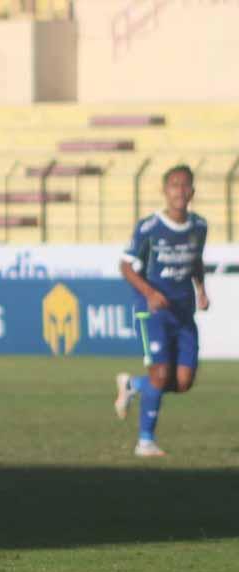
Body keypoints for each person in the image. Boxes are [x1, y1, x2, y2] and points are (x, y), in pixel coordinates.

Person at [113, 164, 209, 458]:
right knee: (161, 372)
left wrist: (201, 290)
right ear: (165, 191)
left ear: (192, 192)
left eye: (185, 186)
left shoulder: (199, 226)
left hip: (183, 313)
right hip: (153, 310)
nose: (179, 191)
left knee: (182, 382)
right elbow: (126, 266)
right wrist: (150, 293)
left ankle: (132, 385)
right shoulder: (149, 228)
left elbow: (195, 262)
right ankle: (145, 442)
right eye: (174, 185)